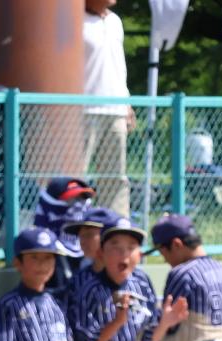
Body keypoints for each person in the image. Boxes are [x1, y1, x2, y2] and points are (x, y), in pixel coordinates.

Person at [80, 0, 133, 214]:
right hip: (82, 111)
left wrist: (127, 102)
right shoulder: (75, 20)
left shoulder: (115, 21)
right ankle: (70, 232)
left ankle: (117, 230)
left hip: (116, 109)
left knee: (115, 178)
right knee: (75, 178)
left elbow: (119, 66)